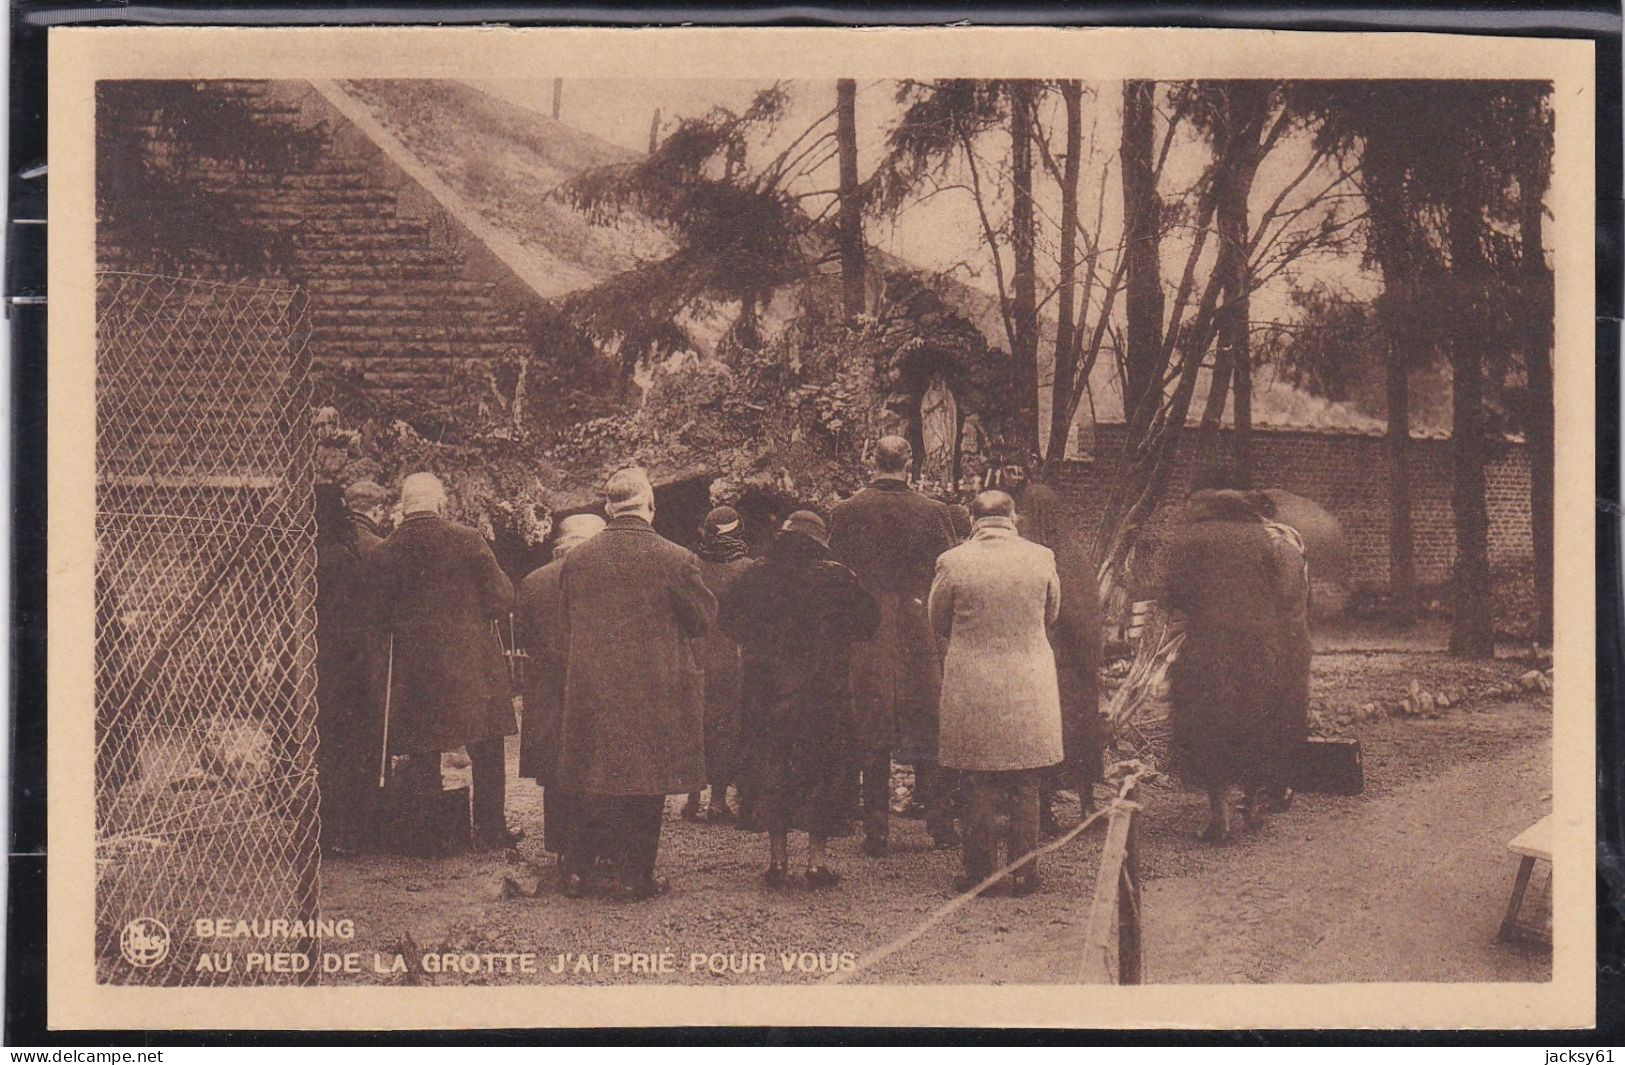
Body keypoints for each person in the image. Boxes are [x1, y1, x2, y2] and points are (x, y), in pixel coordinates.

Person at [556, 468, 718, 900]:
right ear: (650, 504)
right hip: (653, 687)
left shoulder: (577, 559)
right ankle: (635, 876)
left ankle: (583, 872)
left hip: (594, 687)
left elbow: (566, 617)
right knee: (648, 782)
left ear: (608, 508)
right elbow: (702, 620)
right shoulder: (676, 558)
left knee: (597, 775)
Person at [721, 510, 879, 889]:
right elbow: (869, 624)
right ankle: (815, 862)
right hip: (823, 695)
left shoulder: (755, 575)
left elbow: (725, 620)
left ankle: (777, 861)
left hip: (767, 692)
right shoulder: (839, 577)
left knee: (772, 770)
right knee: (822, 773)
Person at [371, 472, 518, 853]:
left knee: (423, 749)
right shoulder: (468, 540)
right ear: (440, 504)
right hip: (472, 665)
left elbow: (377, 615)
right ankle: (490, 831)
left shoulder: (385, 551)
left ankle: (429, 836)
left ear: (404, 507)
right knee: (486, 747)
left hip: (416, 671)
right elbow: (501, 598)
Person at [829, 435, 960, 856]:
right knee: (927, 721)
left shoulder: (846, 512)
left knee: (872, 726)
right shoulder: (932, 512)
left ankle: (876, 833)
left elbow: (837, 574)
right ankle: (940, 827)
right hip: (917, 626)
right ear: (909, 462)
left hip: (867, 629)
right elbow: (945, 571)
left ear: (872, 460)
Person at [929, 490, 1062, 896]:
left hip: (974, 678)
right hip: (1029, 677)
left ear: (973, 520)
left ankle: (980, 871)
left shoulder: (953, 561)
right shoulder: (1041, 557)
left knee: (978, 778)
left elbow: (938, 618)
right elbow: (1051, 612)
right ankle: (1024, 870)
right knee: (1025, 777)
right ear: (1013, 517)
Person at [1159, 483, 1308, 842]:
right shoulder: (1262, 538)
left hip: (1209, 648)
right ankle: (1253, 803)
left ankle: (1218, 814)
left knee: (1209, 727)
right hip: (1259, 648)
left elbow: (1169, 594)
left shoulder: (1188, 538)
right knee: (1256, 721)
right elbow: (1284, 593)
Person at [515, 512, 606, 896]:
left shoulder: (533, 582)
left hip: (546, 691)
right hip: (590, 687)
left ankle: (563, 853)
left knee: (555, 773)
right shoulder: (600, 581)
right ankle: (593, 856)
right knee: (592, 771)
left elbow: (522, 636)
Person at [314, 482, 387, 855]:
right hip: (348, 665)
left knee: (322, 749)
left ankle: (320, 830)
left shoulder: (306, 556)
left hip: (312, 667)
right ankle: (348, 832)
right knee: (351, 748)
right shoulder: (345, 558)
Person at [682, 506, 753, 824]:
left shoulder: (690, 565)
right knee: (726, 726)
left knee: (696, 723)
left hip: (694, 654)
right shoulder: (746, 569)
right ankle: (718, 800)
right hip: (730, 658)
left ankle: (692, 798)